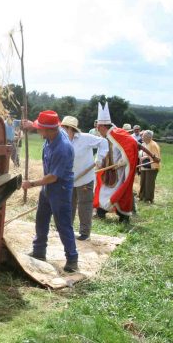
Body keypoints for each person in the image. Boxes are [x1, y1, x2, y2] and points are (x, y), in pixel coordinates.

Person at [21, 111, 78, 272]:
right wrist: (31, 125)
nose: (38, 131)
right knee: (41, 219)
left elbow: (53, 177)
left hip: (59, 189)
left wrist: (31, 183)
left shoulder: (63, 148)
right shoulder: (51, 135)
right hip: (47, 188)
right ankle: (39, 251)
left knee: (63, 225)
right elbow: (43, 125)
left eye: (40, 129)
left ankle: (72, 260)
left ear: (49, 130)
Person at [61, 116, 107, 240]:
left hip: (85, 179)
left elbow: (104, 142)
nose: (61, 130)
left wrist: (99, 158)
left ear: (71, 129)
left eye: (64, 128)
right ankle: (66, 229)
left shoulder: (85, 138)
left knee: (84, 205)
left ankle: (84, 232)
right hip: (69, 179)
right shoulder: (61, 140)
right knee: (68, 205)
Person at [94, 103, 139, 223]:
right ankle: (101, 211)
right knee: (103, 190)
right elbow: (104, 150)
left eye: (99, 128)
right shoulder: (108, 136)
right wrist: (99, 161)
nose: (98, 131)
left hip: (118, 171)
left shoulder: (117, 133)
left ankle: (123, 216)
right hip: (108, 169)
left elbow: (130, 144)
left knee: (117, 192)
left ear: (103, 126)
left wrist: (123, 160)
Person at [139, 130, 160, 203]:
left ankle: (148, 199)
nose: (142, 137)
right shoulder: (144, 144)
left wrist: (146, 157)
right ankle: (142, 197)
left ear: (148, 137)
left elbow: (157, 158)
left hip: (152, 167)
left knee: (149, 183)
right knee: (143, 182)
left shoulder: (153, 145)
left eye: (143, 136)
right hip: (144, 166)